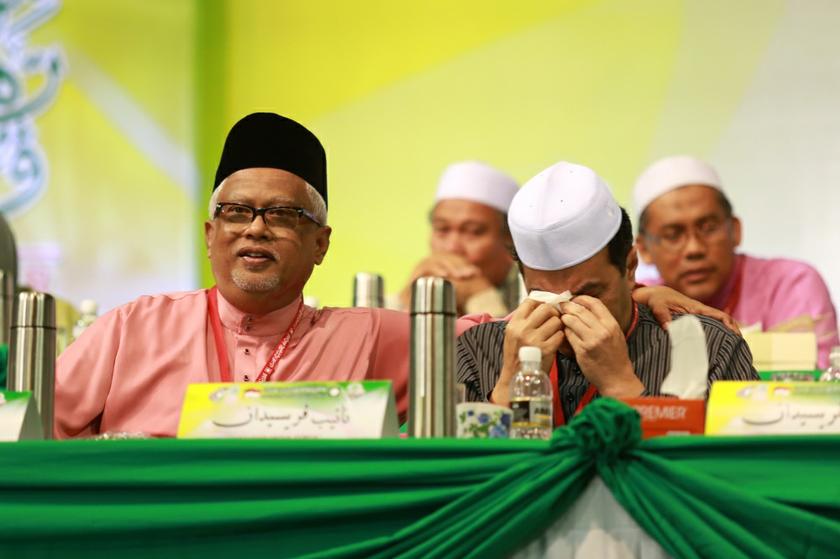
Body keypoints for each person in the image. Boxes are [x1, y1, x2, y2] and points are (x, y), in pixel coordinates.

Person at [55, 114, 740, 438]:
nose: (256, 228)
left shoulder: (379, 335)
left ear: (321, 243)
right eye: (236, 212)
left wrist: (629, 328)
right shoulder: (129, 329)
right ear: (210, 232)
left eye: (283, 214)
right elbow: (26, 443)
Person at [457, 161, 758, 421]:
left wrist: (622, 387)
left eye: (589, 295)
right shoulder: (477, 352)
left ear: (629, 268)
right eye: (543, 298)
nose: (567, 315)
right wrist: (510, 390)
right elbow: (457, 481)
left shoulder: (710, 349)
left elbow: (734, 473)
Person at [633, 155, 839, 368]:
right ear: (644, 249)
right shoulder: (641, 300)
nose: (694, 249)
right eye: (673, 235)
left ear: (736, 230)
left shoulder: (790, 283)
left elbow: (814, 385)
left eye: (709, 228)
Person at [393, 161, 522, 316]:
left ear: (510, 239)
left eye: (473, 232)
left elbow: (515, 340)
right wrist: (410, 300)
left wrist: (480, 296)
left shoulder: (535, 293)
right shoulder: (422, 279)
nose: (452, 248)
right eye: (442, 229)